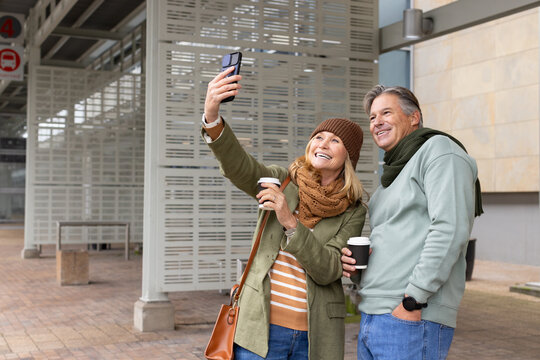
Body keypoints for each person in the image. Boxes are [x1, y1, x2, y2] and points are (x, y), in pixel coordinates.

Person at [202, 66, 367, 360]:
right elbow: (239, 166)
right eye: (319, 137)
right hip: (258, 329)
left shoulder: (352, 211)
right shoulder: (283, 181)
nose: (323, 144)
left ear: (348, 158)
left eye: (335, 140)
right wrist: (213, 117)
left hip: (314, 337)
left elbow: (329, 269)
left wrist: (290, 222)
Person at [341, 84, 483, 360]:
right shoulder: (391, 177)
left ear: (414, 117)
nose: (377, 122)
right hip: (372, 312)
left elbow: (450, 229)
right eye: (372, 117)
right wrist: (358, 268)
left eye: (386, 113)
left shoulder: (440, 151)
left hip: (411, 315)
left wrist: (413, 300)